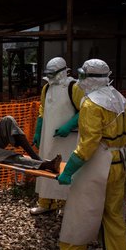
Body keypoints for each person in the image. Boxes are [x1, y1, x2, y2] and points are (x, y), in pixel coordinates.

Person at [48, 59, 126, 250]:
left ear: (91, 78)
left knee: (80, 211)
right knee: (113, 216)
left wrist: (69, 170)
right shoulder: (121, 99)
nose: (80, 80)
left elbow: (88, 144)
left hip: (97, 163)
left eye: (83, 75)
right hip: (119, 161)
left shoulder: (92, 103)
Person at [30, 57, 84, 215]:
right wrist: (38, 131)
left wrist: (70, 125)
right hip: (49, 137)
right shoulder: (46, 88)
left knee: (67, 168)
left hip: (68, 139)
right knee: (46, 166)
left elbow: (85, 109)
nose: (51, 77)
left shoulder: (74, 87)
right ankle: (46, 203)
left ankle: (67, 205)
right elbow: (42, 110)